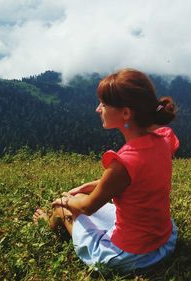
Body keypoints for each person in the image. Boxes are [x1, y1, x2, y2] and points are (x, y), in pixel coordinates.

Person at [33, 68, 180, 272]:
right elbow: (141, 178)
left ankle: (46, 224)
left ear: (126, 113)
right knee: (82, 201)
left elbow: (87, 207)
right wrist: (91, 185)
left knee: (64, 208)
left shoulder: (123, 162)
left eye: (103, 104)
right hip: (164, 240)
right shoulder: (164, 139)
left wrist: (65, 200)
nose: (97, 109)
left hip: (132, 255)